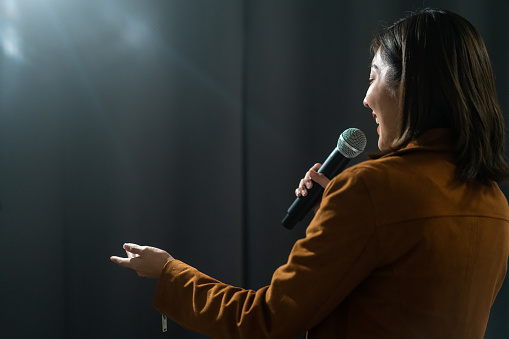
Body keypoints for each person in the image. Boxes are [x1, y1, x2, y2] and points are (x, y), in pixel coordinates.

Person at [110, 8, 509, 338]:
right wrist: (348, 207)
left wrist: (169, 272)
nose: (366, 97)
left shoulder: (370, 189)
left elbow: (265, 321)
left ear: (413, 85)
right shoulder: (494, 202)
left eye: (373, 76)